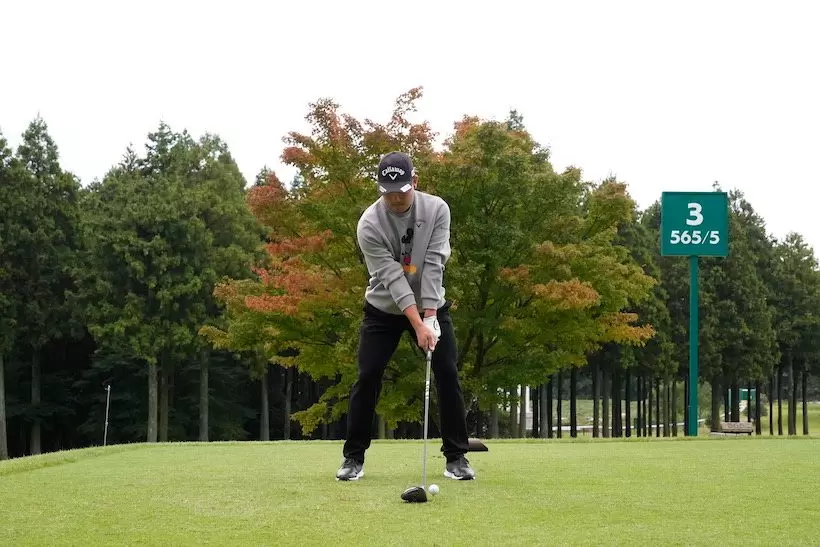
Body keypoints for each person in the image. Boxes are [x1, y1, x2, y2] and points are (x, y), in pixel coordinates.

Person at [335, 151, 476, 482]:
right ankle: (353, 458)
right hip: (384, 308)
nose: (396, 198)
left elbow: (433, 264)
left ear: (415, 181)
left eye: (402, 189)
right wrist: (416, 324)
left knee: (447, 372)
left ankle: (456, 458)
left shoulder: (437, 209)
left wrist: (429, 318)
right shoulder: (369, 224)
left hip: (431, 302)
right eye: (388, 191)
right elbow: (393, 277)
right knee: (368, 375)